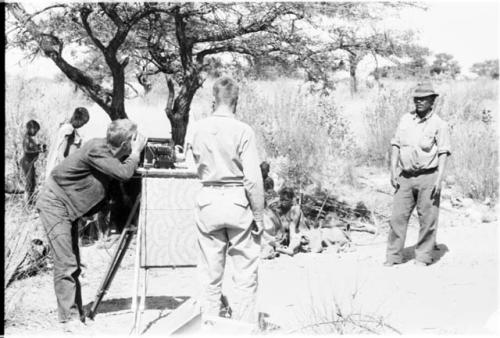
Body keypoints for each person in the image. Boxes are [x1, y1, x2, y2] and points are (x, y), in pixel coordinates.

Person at [36, 119, 147, 332]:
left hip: (67, 207)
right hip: (55, 204)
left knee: (73, 262)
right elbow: (124, 172)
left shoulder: (109, 152)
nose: (135, 143)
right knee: (66, 262)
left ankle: (74, 312)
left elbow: (121, 172)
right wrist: (136, 153)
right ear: (126, 143)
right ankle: (69, 319)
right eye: (133, 140)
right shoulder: (98, 149)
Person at [185, 77, 264, 327]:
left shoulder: (197, 128)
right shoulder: (243, 130)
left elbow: (190, 165)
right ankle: (243, 328)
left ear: (213, 99)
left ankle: (210, 326)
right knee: (245, 272)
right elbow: (252, 178)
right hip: (237, 199)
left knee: (209, 272)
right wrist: (259, 214)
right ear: (236, 100)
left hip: (208, 197)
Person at [384, 82, 451, 267]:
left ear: (432, 101)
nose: (420, 102)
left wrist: (439, 179)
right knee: (397, 218)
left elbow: (443, 152)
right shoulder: (405, 119)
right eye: (417, 99)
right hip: (404, 177)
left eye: (424, 99)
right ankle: (393, 257)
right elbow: (396, 144)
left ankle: (423, 256)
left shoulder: (439, 124)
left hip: (428, 177)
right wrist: (393, 169)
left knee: (427, 219)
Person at [45, 107, 90, 179]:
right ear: (78, 119)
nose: (82, 125)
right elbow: (60, 154)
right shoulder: (69, 130)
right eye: (83, 122)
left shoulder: (65, 127)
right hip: (59, 170)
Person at [21, 119, 47, 205]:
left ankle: (30, 202)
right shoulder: (27, 138)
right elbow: (26, 151)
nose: (36, 132)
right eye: (35, 130)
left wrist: (39, 147)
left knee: (32, 183)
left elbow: (32, 148)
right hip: (27, 162)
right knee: (29, 183)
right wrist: (38, 151)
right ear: (31, 128)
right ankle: (27, 203)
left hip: (30, 162)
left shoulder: (30, 139)